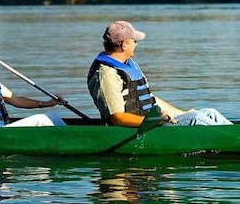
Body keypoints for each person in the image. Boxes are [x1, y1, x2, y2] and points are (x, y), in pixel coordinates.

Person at [87, 20, 232, 127]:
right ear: (124, 44)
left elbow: (148, 99)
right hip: (139, 129)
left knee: (210, 112)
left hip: (152, 122)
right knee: (196, 118)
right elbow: (117, 118)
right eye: (134, 41)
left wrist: (180, 113)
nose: (137, 44)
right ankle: (238, 141)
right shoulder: (107, 74)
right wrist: (155, 121)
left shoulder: (128, 65)